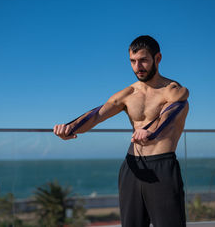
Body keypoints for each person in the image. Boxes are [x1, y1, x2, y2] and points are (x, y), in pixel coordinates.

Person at [53, 35, 189, 227]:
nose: (137, 67)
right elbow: (96, 115)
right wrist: (69, 128)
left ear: (157, 58)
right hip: (132, 167)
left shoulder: (171, 90)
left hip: (161, 166)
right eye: (133, 61)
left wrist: (152, 131)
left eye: (143, 60)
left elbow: (173, 110)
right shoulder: (129, 94)